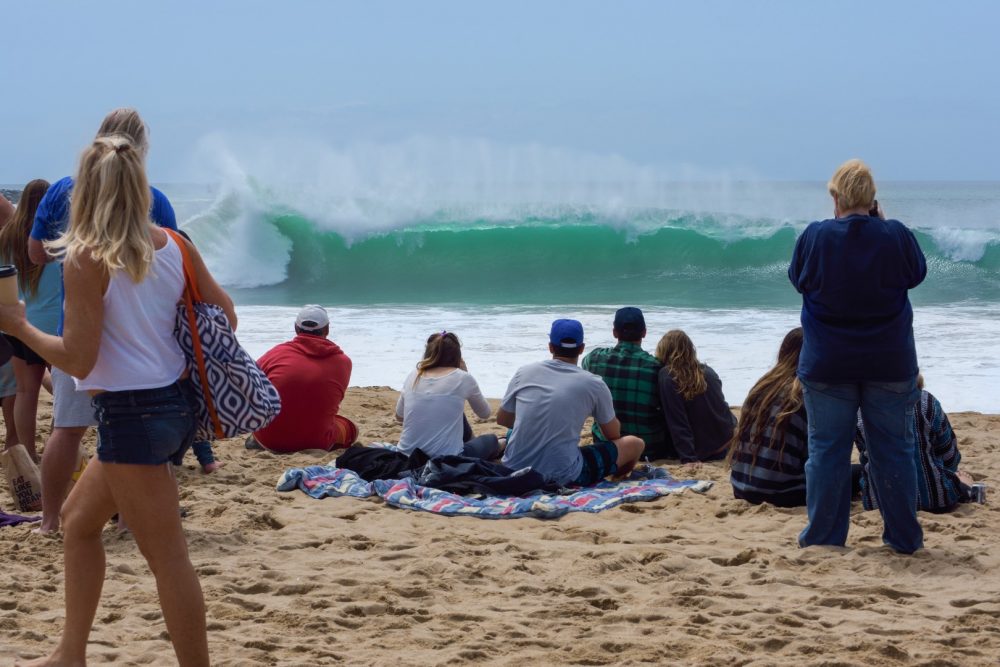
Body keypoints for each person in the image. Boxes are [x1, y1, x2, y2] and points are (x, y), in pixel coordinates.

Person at [0, 133, 233, 666]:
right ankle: (70, 653)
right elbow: (227, 317)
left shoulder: (86, 255)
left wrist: (20, 327)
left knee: (168, 558)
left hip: (132, 415)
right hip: (173, 408)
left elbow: (77, 360)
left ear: (88, 189)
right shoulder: (176, 244)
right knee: (80, 525)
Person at [29, 108, 179, 534]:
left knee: (68, 430)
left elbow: (37, 252)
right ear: (141, 148)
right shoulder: (155, 199)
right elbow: (167, 262)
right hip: (143, 341)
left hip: (75, 330)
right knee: (135, 438)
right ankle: (129, 520)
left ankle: (50, 519)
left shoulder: (60, 190)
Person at [789, 158, 926, 554]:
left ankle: (824, 539)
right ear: (872, 199)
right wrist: (884, 224)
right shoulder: (895, 234)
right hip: (890, 361)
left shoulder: (815, 236)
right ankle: (903, 539)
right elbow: (916, 273)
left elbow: (799, 279)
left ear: (836, 199)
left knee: (827, 453)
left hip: (828, 362)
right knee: (894, 453)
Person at [497, 319, 644, 486]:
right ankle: (616, 480)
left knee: (512, 434)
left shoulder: (524, 372)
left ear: (550, 347)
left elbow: (503, 419)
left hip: (512, 469)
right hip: (564, 475)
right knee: (635, 444)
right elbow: (613, 435)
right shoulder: (594, 384)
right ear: (581, 349)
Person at [0, 179, 61, 466]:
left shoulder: (5, 236)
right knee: (62, 392)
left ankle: (29, 454)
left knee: (25, 392)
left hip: (18, 323)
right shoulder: (58, 236)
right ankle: (54, 450)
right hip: (54, 328)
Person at [856, 377, 977, 513]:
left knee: (860, 470)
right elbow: (949, 455)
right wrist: (953, 476)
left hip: (879, 504)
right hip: (937, 501)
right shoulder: (928, 402)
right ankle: (965, 486)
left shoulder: (860, 410)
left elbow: (865, 457)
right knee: (959, 478)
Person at [248, 304, 357, 453]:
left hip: (268, 438)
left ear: (296, 328)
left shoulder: (275, 354)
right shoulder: (344, 362)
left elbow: (250, 383)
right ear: (327, 330)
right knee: (351, 429)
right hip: (316, 442)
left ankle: (259, 441)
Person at [727, 328, 809, 507]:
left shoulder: (763, 385)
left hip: (741, 487)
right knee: (855, 474)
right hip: (782, 492)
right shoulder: (804, 393)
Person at [395, 331, 500, 459]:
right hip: (446, 460)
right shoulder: (463, 378)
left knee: (452, 412)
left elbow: (399, 417)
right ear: (457, 356)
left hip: (405, 456)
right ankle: (503, 444)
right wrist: (466, 373)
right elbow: (485, 413)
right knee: (492, 440)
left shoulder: (414, 375)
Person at [581, 307, 669, 460]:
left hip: (607, 447)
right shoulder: (656, 367)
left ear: (615, 332)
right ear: (644, 333)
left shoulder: (594, 359)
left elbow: (584, 366)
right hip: (649, 448)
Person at [655, 330, 736, 464]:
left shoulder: (668, 376)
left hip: (706, 452)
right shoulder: (708, 371)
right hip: (728, 441)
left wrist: (689, 458)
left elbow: (677, 420)